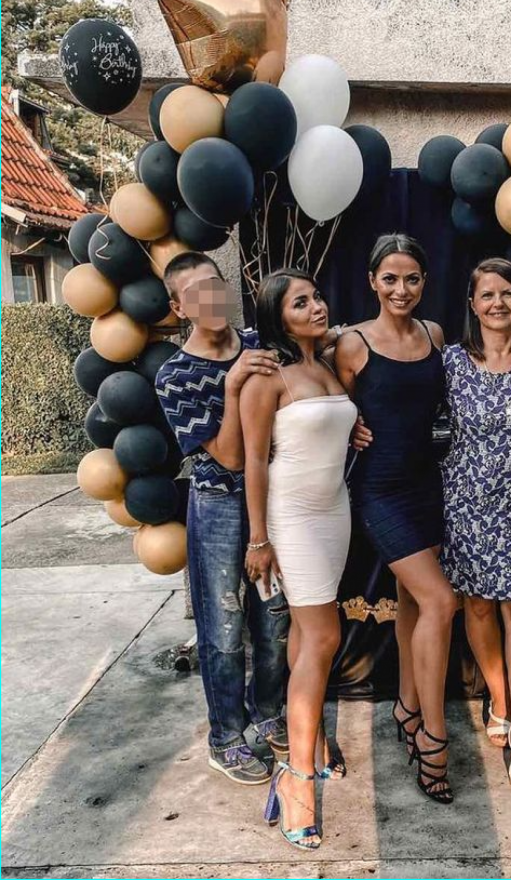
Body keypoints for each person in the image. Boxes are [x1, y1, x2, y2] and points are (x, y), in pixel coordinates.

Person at [155, 252, 290, 786]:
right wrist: (233, 387)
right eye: (195, 293)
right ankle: (226, 737)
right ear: (178, 307)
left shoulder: (263, 342)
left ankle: (268, 711)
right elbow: (231, 457)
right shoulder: (175, 376)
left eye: (214, 284)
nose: (210, 298)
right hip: (218, 508)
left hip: (274, 501)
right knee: (224, 629)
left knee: (274, 620)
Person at [334, 233, 457, 804]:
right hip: (379, 490)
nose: (401, 289)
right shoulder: (352, 344)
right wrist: (349, 427)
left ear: (424, 282)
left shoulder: (435, 335)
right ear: (372, 282)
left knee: (413, 602)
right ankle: (434, 734)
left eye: (411, 279)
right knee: (440, 601)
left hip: (427, 485)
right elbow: (326, 404)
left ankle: (407, 707)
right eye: (390, 279)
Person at [240, 269, 358, 850]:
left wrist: (356, 431)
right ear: (277, 318)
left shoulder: (328, 364)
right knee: (324, 636)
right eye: (299, 303)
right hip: (292, 516)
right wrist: (258, 539)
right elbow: (253, 461)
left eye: (316, 297)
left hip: (335, 511)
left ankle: (308, 739)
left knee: (308, 638)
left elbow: (333, 429)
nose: (316, 306)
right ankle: (297, 779)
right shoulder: (267, 376)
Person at [440, 258, 511, 788]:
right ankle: (499, 698)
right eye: (487, 294)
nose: (498, 303)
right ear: (473, 304)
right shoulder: (452, 361)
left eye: (508, 293)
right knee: (477, 606)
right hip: (465, 502)